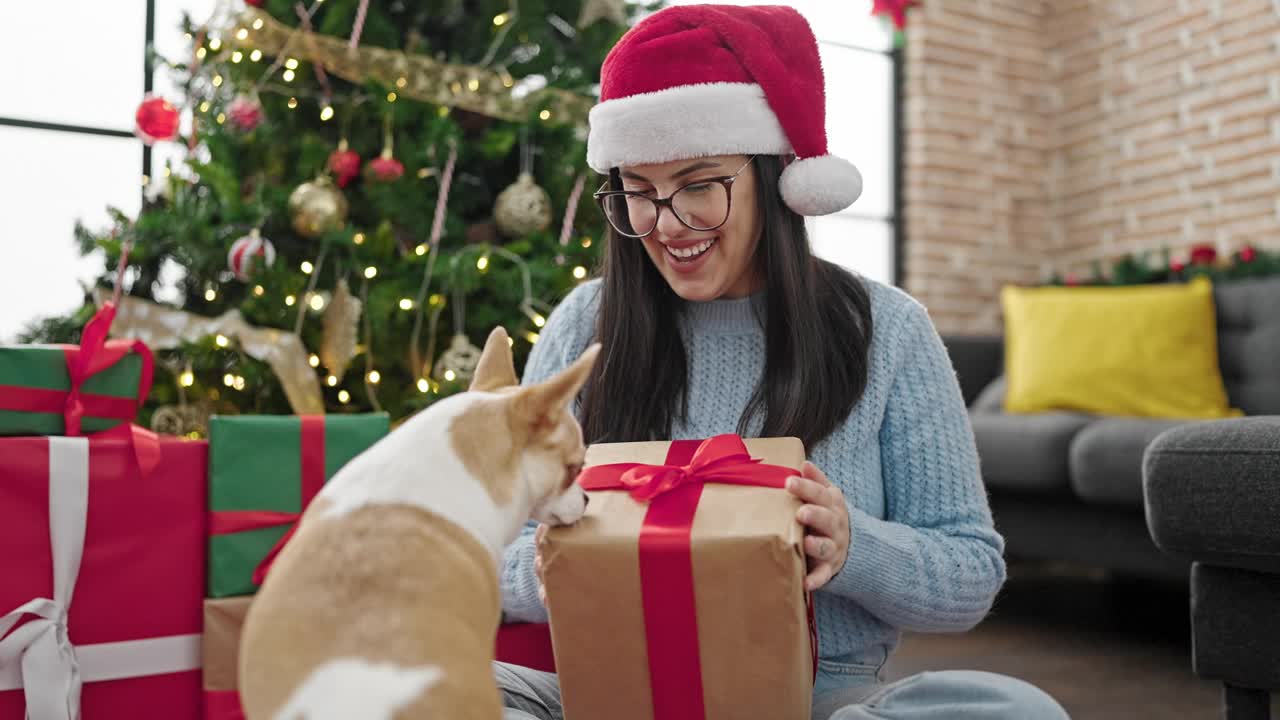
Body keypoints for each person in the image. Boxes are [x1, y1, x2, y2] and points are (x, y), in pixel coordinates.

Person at [495, 5, 1069, 719]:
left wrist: (855, 546)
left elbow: (971, 574)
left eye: (699, 184)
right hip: (613, 691)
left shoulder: (886, 329)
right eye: (637, 192)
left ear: (776, 178)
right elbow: (491, 553)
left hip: (820, 702)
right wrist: (548, 566)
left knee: (1015, 712)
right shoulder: (586, 323)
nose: (665, 224)